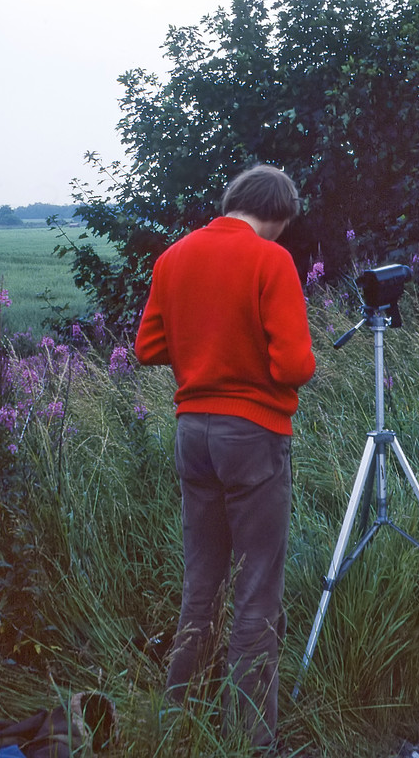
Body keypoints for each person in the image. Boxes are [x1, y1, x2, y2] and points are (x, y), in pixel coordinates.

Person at [134, 164, 315, 749]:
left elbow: (148, 347)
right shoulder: (271, 260)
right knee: (258, 586)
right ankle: (251, 738)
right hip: (254, 435)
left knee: (202, 580)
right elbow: (294, 366)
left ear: (231, 200)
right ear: (279, 214)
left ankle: (176, 718)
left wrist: (203, 356)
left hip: (192, 432)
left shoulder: (174, 257)